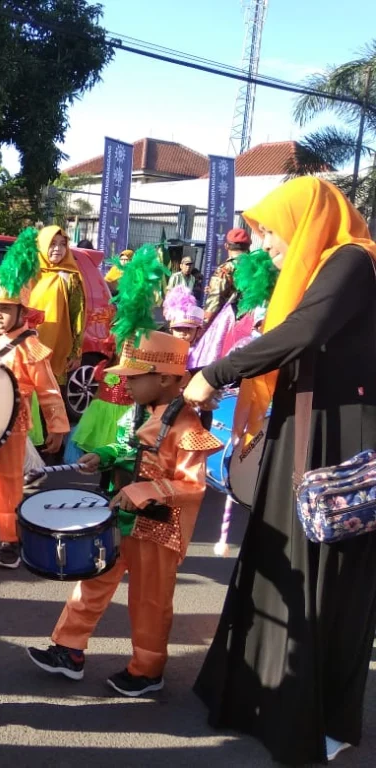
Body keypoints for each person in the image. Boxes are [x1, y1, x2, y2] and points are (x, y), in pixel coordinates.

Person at [184, 177, 376, 765]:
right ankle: (259, 699)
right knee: (281, 561)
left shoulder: (352, 261)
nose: (263, 244)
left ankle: (323, 718)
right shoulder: (320, 268)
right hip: (304, 428)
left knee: (329, 579)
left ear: (306, 220)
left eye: (270, 232)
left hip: (339, 440)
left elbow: (304, 332)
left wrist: (217, 372)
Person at [28, 245, 222, 697]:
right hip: (122, 518)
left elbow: (192, 486)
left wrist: (148, 490)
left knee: (150, 601)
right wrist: (105, 455)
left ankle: (147, 670)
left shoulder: (188, 427)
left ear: (168, 379)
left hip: (159, 529)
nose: (124, 382)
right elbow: (128, 447)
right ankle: (68, 649)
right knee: (93, 580)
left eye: (135, 377)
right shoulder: (138, 412)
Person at [0, 228, 69, 568]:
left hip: (13, 427)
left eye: (5, 309)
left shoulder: (30, 346)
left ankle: (10, 542)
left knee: (7, 486)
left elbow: (48, 389)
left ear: (23, 311)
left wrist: (57, 426)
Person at [28, 226, 85, 386]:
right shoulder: (29, 273)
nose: (58, 249)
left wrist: (76, 352)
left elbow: (77, 316)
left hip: (57, 348)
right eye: (52, 243)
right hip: (29, 346)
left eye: (62, 244)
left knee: (51, 396)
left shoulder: (70, 277)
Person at [203, 227, 251, 323]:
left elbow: (215, 300)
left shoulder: (226, 269)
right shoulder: (257, 266)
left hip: (232, 322)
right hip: (254, 321)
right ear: (248, 247)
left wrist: (204, 324)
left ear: (226, 246)